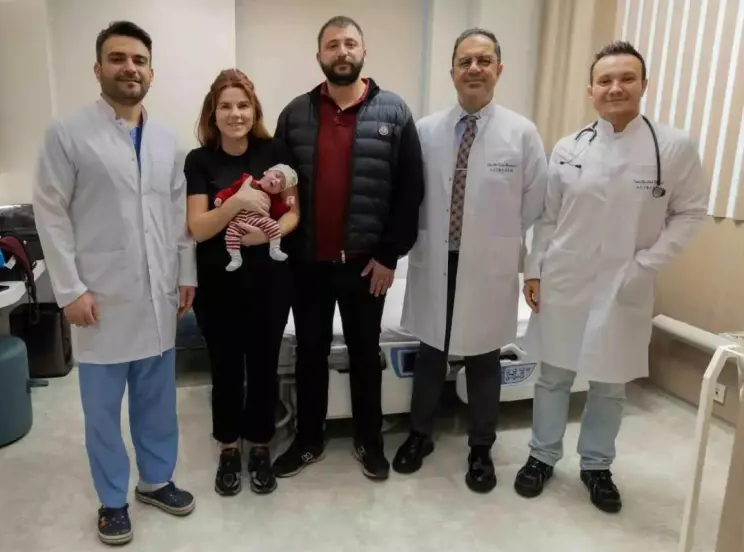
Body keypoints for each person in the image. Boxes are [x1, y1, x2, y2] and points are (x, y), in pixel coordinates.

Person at [513, 41, 708, 513]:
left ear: (644, 85)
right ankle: (541, 456)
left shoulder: (672, 147)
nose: (615, 87)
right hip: (565, 277)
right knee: (553, 375)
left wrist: (647, 263)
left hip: (625, 282)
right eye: (605, 80)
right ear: (591, 89)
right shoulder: (570, 146)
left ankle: (597, 465)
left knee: (609, 381)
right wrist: (535, 269)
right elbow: (548, 217)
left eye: (626, 78)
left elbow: (690, 212)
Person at [33, 21, 196, 546]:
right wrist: (69, 289)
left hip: (158, 294)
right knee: (103, 412)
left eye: (139, 60)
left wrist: (186, 274)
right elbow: (50, 212)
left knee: (157, 400)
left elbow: (178, 216)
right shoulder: (68, 133)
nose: (130, 68)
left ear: (151, 72)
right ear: (98, 68)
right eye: (118, 58)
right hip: (98, 298)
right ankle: (111, 500)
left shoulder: (167, 139)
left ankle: (156, 480)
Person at [272, 15, 424, 481]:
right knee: (310, 352)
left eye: (350, 43)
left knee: (364, 353)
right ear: (319, 55)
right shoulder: (294, 114)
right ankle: (309, 440)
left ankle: (369, 440)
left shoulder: (394, 112)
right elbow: (279, 190)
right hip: (308, 264)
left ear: (363, 51)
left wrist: (389, 256)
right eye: (333, 44)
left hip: (365, 266)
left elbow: (410, 191)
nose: (342, 51)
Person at [396, 28, 547, 493]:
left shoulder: (522, 134)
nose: (474, 69)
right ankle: (419, 434)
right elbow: (409, 197)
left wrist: (531, 267)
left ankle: (481, 447)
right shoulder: (425, 130)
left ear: (499, 70)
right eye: (465, 61)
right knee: (430, 352)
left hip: (488, 263)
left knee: (483, 356)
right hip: (436, 258)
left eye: (484, 60)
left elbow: (538, 210)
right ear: (452, 73)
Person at [185, 69, 298, 496]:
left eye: (243, 105)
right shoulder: (199, 161)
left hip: (270, 282)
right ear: (213, 114)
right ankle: (229, 447)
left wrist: (270, 234)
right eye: (226, 106)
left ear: (255, 111)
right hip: (218, 286)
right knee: (226, 368)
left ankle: (261, 445)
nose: (235, 114)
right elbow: (198, 227)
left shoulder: (276, 151)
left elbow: (293, 212)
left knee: (265, 366)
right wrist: (237, 203)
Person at [213, 164, 298, 271]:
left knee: (274, 225)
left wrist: (286, 205)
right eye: (276, 176)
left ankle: (274, 249)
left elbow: (276, 212)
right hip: (238, 220)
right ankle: (235, 258)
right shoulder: (247, 181)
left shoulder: (273, 198)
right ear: (266, 172)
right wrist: (220, 198)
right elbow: (230, 191)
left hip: (258, 219)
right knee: (231, 234)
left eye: (281, 186)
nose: (277, 181)